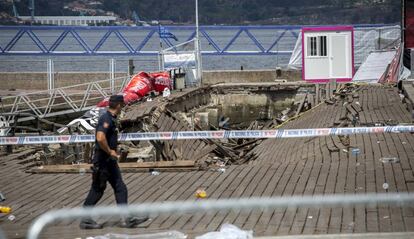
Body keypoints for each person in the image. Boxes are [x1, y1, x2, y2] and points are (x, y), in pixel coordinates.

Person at [80, 95, 148, 229]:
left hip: (110, 162)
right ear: (118, 105)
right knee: (98, 189)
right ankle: (85, 220)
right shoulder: (106, 118)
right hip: (102, 161)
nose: (123, 107)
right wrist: (110, 151)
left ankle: (126, 218)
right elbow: (100, 138)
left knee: (120, 187)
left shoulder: (112, 118)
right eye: (122, 105)